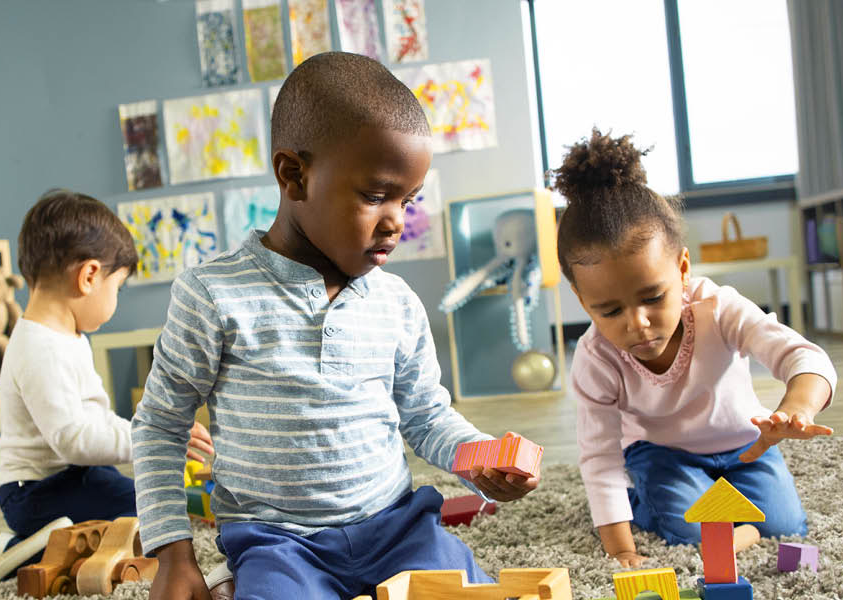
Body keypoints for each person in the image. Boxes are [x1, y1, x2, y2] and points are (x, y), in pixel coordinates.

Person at [133, 52, 540, 600]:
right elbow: (160, 425)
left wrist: (480, 459)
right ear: (294, 175)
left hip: (398, 530)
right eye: (376, 196)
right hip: (278, 544)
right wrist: (173, 558)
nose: (397, 220)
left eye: (408, 199)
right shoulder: (212, 295)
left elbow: (425, 416)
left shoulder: (396, 301)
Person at [555, 130, 837, 567]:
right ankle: (642, 494)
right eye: (608, 310)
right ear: (581, 301)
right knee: (687, 529)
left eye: (653, 297)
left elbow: (802, 356)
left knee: (785, 527)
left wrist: (799, 406)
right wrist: (622, 548)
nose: (638, 324)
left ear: (683, 270)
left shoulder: (719, 308)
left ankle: (708, 498)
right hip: (662, 454)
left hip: (746, 446)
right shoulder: (595, 358)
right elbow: (599, 457)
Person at [0, 189, 213, 570]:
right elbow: (73, 440)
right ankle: (24, 546)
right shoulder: (38, 348)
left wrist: (145, 433)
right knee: (145, 517)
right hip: (34, 493)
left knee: (147, 502)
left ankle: (50, 540)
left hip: (69, 477)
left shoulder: (69, 338)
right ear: (90, 275)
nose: (116, 299)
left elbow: (98, 418)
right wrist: (151, 439)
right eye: (118, 287)